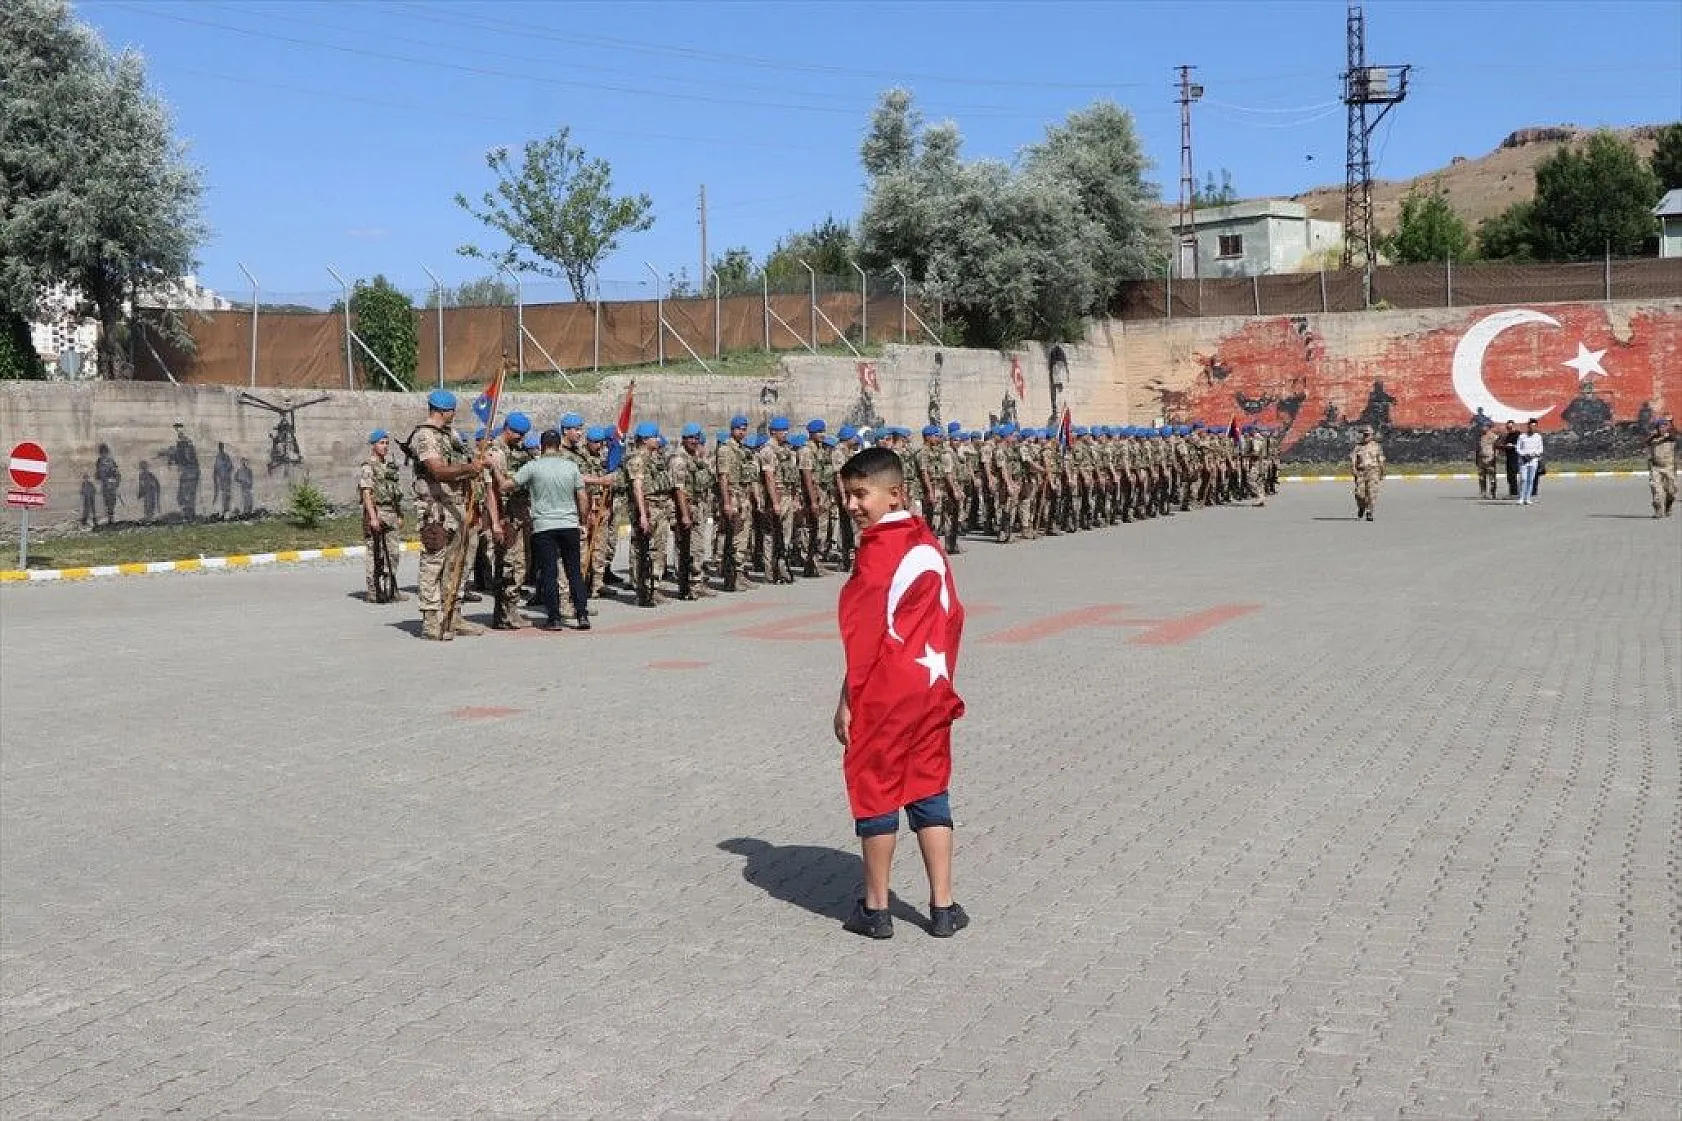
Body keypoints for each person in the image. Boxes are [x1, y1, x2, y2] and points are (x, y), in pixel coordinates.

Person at [831, 446, 969, 940]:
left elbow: (865, 634)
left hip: (887, 693)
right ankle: (944, 906)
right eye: (846, 494)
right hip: (931, 687)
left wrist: (849, 696)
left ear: (895, 495)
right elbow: (953, 617)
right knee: (929, 786)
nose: (850, 504)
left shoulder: (879, 552)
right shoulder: (926, 540)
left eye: (859, 494)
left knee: (876, 790)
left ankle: (876, 908)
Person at [409, 389, 493, 641]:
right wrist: (469, 468)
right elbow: (436, 470)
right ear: (442, 410)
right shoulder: (424, 435)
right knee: (433, 565)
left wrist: (478, 462)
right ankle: (432, 621)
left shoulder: (451, 435)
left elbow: (466, 459)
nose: (454, 414)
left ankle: (452, 615)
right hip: (436, 509)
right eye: (452, 410)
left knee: (459, 565)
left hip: (458, 507)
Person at [516, 428, 592, 630]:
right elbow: (582, 498)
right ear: (559, 445)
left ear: (542, 446)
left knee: (549, 572)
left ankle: (554, 618)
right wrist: (583, 522)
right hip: (568, 523)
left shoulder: (533, 467)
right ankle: (582, 614)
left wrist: (494, 471)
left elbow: (509, 484)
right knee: (573, 571)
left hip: (544, 526)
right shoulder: (571, 467)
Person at [487, 413, 535, 628]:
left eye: (523, 435)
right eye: (517, 433)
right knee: (509, 564)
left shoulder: (518, 451)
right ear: (506, 428)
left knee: (521, 563)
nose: (520, 438)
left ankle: (509, 609)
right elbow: (493, 489)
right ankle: (505, 613)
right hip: (506, 515)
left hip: (520, 513)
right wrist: (496, 522)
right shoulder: (495, 452)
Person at [357, 429, 405, 603]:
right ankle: (374, 591)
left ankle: (391, 589)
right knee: (375, 554)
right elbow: (367, 493)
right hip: (377, 512)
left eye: (386, 443)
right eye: (381, 443)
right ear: (373, 445)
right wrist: (373, 517)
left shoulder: (389, 466)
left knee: (393, 553)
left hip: (391, 512)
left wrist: (399, 514)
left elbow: (394, 493)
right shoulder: (368, 466)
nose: (384, 446)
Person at [1351, 426, 1385, 521]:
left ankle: (1370, 512)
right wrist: (1354, 469)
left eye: (1368, 435)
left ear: (1372, 435)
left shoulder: (1377, 446)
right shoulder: (1358, 447)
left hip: (1373, 471)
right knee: (1359, 493)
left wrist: (1382, 472)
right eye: (1365, 434)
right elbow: (1353, 459)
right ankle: (1361, 507)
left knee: (1371, 493)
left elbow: (1381, 460)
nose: (1366, 436)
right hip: (1361, 471)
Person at [1644, 416, 1677, 518]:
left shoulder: (1671, 438)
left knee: (1671, 491)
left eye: (1664, 426)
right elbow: (1646, 443)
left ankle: (1668, 506)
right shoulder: (1653, 438)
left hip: (1669, 467)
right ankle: (1658, 510)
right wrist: (1653, 437)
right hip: (1656, 467)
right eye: (1660, 427)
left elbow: (1675, 438)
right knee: (1656, 489)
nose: (1662, 429)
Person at [1515, 418, 1544, 506]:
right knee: (1523, 479)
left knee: (1530, 480)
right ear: (1528, 426)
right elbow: (1518, 448)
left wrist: (1533, 455)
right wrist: (1524, 455)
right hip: (1523, 460)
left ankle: (1527, 498)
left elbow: (1540, 449)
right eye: (1531, 426)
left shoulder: (1538, 437)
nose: (1532, 428)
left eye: (1534, 426)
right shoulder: (1522, 436)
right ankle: (1521, 498)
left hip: (1533, 460)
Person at [94, 443, 120, 525]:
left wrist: (116, 483)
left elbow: (117, 473)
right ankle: (110, 518)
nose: (103, 454)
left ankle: (111, 518)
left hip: (111, 484)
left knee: (112, 501)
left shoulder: (111, 461)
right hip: (105, 484)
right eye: (102, 453)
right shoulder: (99, 462)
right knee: (107, 501)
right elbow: (98, 474)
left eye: (104, 452)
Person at [1475, 421, 1501, 500]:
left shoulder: (1494, 436)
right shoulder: (1480, 436)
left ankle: (1493, 493)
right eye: (1482, 426)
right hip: (1481, 459)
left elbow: (1497, 447)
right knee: (1482, 478)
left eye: (1484, 426)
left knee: (1492, 478)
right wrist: (1476, 459)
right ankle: (1483, 493)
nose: (1482, 428)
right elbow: (1478, 448)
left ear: (1488, 427)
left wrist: (1495, 456)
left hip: (1490, 459)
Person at [1498, 420, 1521, 499]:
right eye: (1507, 427)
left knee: (1513, 475)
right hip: (1509, 457)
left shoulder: (1518, 434)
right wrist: (1502, 446)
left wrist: (1513, 445)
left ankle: (1515, 493)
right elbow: (1505, 445)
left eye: (1510, 427)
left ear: (1514, 426)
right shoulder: (1508, 435)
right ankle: (1512, 492)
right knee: (1510, 476)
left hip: (1516, 457)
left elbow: (1520, 445)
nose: (1509, 428)